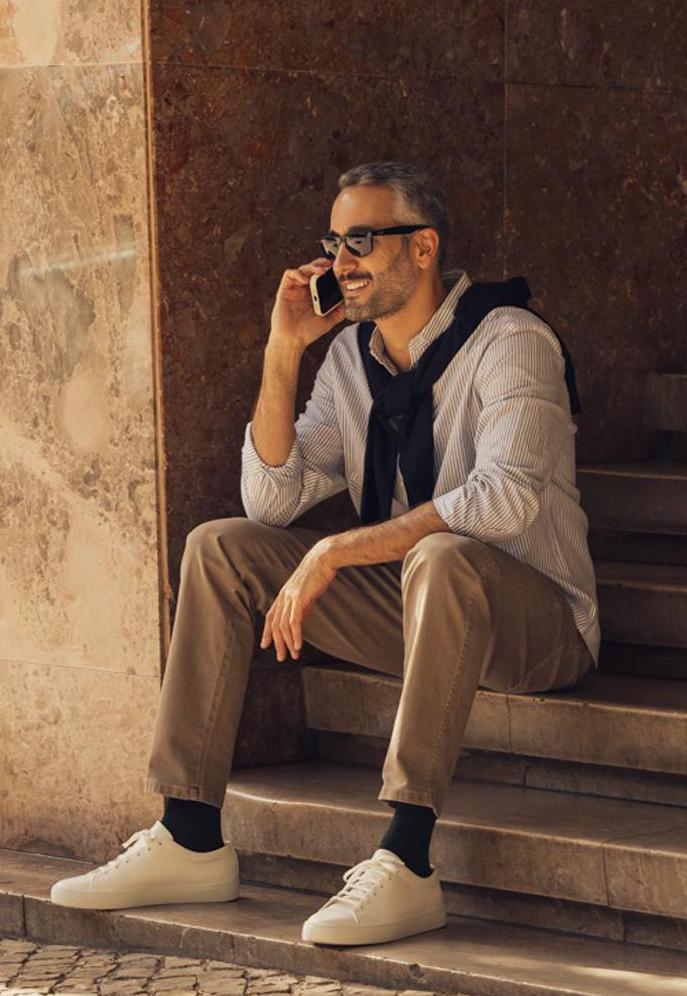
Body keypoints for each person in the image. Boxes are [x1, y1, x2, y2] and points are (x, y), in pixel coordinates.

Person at [49, 160, 600, 947]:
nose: (341, 261)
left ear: (423, 248)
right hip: (418, 610)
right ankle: (189, 834)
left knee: (443, 556)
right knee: (221, 548)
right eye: (334, 241)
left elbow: (502, 499)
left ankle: (406, 858)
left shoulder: (511, 341)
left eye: (361, 240)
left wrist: (338, 549)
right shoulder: (349, 359)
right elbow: (270, 502)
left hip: (537, 628)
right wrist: (284, 351)